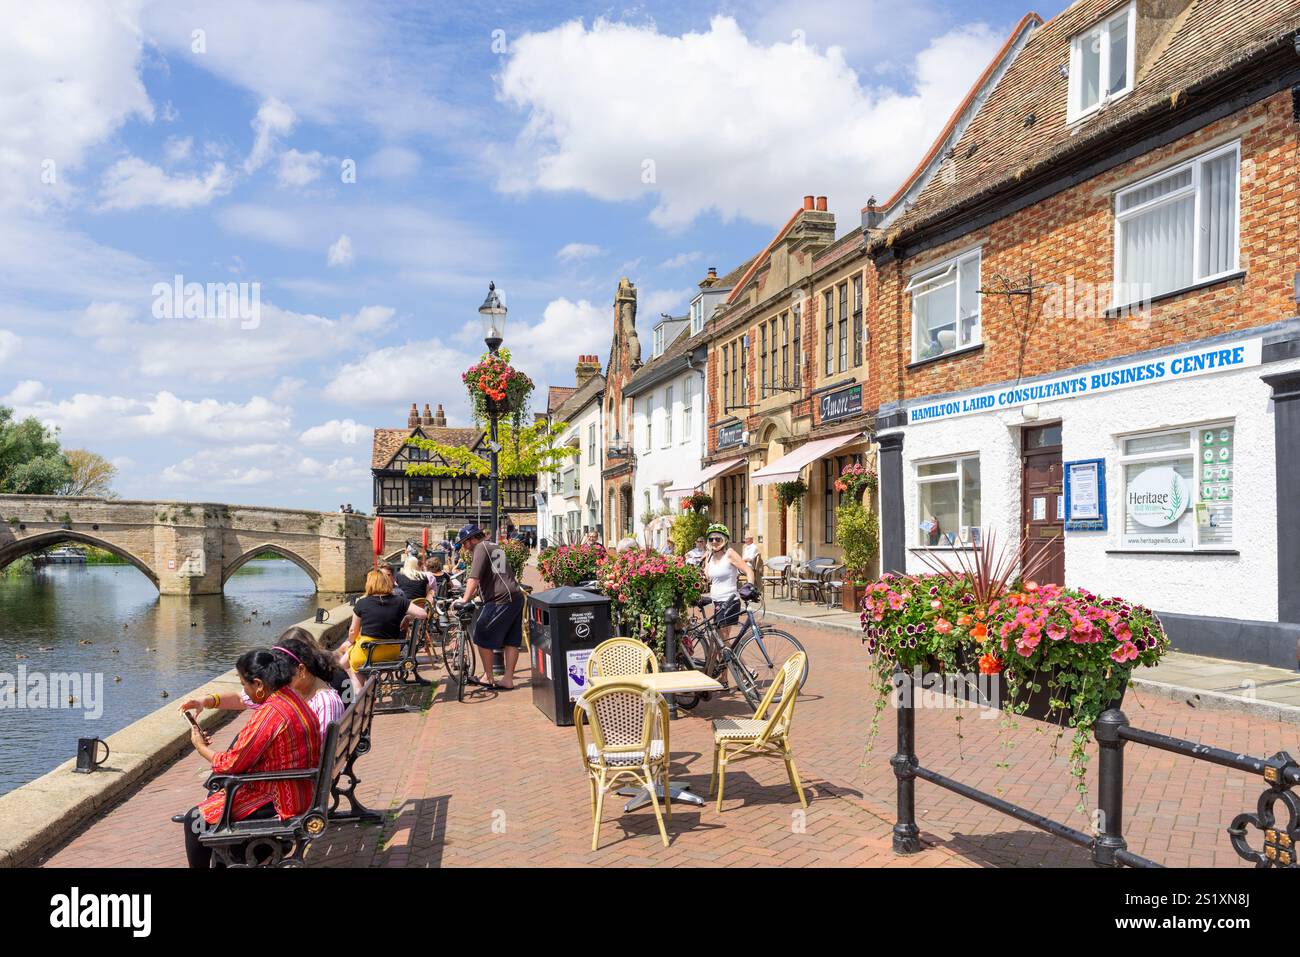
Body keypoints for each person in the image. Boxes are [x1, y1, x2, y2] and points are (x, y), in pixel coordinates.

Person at [177, 647, 321, 868]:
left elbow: (231, 764)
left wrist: (199, 747)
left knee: (194, 819)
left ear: (259, 685)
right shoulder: (292, 698)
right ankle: (253, 850)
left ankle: (255, 848)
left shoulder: (271, 713)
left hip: (282, 798)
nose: (244, 689)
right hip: (302, 788)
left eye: (245, 684)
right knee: (213, 805)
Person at [179, 631, 345, 738]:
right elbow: (240, 699)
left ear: (301, 670)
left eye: (285, 674)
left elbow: (321, 756)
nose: (279, 679)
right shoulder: (294, 690)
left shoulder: (325, 702)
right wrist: (205, 701)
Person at [455, 523, 524, 690]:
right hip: (515, 595)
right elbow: (498, 574)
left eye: (464, 542)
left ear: (472, 539)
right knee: (511, 640)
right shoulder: (494, 545)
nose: (464, 547)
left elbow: (474, 578)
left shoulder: (480, 548)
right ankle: (508, 679)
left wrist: (464, 600)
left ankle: (488, 676)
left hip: (500, 599)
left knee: (481, 634)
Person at [335, 568, 428, 692]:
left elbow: (353, 631)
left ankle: (359, 697)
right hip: (391, 652)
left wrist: (352, 641)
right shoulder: (400, 601)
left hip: (367, 654)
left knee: (353, 665)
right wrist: (407, 617)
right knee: (350, 655)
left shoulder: (362, 603)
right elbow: (423, 614)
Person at [703, 523, 754, 631]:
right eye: (711, 539)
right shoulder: (710, 557)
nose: (714, 542)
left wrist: (750, 587)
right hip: (716, 601)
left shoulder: (729, 554)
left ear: (724, 540)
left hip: (729, 601)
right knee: (715, 642)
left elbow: (749, 571)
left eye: (718, 539)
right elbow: (707, 578)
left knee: (722, 639)